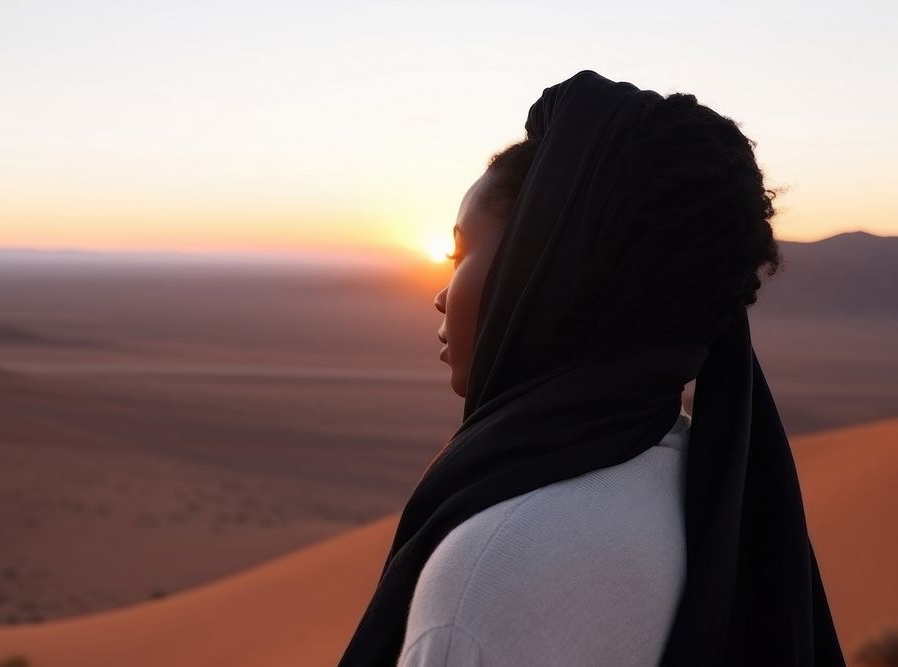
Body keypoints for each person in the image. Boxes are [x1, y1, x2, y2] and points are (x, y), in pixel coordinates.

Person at [338, 70, 844, 666]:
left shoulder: (495, 571)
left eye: (458, 253)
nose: (441, 295)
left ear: (546, 272)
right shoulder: (697, 488)